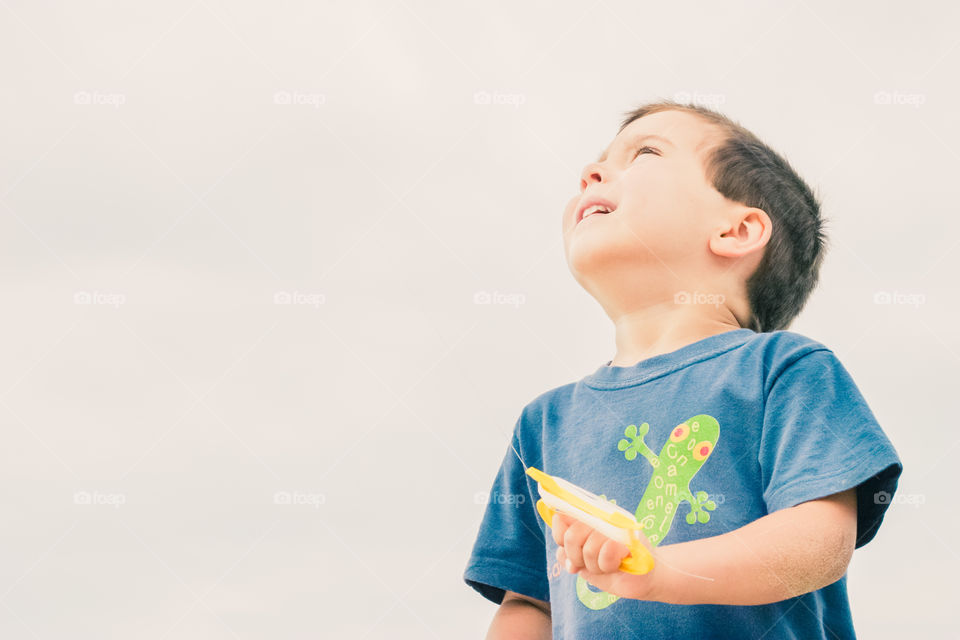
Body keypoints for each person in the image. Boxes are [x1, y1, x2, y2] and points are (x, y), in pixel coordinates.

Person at [463, 100, 903, 639]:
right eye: (597, 162)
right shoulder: (543, 423)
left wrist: (663, 571)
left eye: (644, 153)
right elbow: (529, 604)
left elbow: (820, 542)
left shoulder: (784, 371)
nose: (590, 172)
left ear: (737, 231)